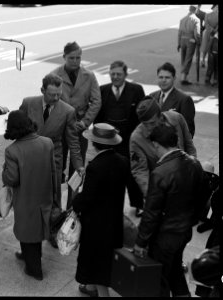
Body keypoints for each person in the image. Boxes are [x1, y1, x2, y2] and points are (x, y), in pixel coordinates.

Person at [134, 124, 205, 297]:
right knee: (175, 272)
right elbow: (202, 199)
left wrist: (141, 242)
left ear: (157, 144)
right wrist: (190, 220)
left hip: (164, 237)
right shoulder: (195, 164)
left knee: (159, 281)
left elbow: (151, 213)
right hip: (184, 232)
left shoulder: (160, 172)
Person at [72, 123, 129, 297]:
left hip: (96, 224)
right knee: (104, 259)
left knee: (95, 261)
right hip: (114, 221)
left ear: (94, 143)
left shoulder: (95, 167)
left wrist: (75, 203)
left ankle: (101, 293)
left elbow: (87, 198)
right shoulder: (123, 162)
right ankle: (89, 287)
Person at [2, 110, 57, 281]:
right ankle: (27, 256)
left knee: (27, 230)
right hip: (44, 195)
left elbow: (11, 178)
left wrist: (4, 170)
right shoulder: (47, 143)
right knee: (37, 229)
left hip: (25, 199)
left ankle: (34, 269)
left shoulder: (12, 151)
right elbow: (54, 172)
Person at [19, 73, 85, 209]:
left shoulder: (68, 111)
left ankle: (51, 225)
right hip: (30, 158)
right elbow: (18, 130)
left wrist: (79, 165)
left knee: (52, 198)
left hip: (53, 160)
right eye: (52, 94)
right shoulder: (28, 103)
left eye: (59, 94)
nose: (56, 98)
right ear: (42, 91)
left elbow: (73, 141)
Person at [50, 41, 101, 204]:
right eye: (71, 58)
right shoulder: (54, 75)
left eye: (78, 58)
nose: (75, 61)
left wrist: (85, 122)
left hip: (80, 128)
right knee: (58, 165)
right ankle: (56, 203)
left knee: (77, 166)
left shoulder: (89, 76)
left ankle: (73, 204)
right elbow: (50, 100)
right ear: (64, 57)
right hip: (61, 128)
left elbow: (96, 101)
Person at [94, 60, 145, 217]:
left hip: (129, 140)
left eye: (119, 74)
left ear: (125, 75)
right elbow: (97, 115)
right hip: (108, 141)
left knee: (131, 173)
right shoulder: (102, 90)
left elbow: (141, 115)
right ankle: (107, 204)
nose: (115, 77)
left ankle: (138, 204)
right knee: (108, 173)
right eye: (113, 74)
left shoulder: (136, 90)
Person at [129, 97, 197, 214]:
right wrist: (152, 197)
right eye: (145, 124)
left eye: (152, 123)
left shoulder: (176, 118)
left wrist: (193, 170)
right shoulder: (136, 139)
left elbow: (189, 145)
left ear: (160, 116)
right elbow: (140, 172)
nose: (149, 127)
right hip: (163, 189)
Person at [149, 62, 196, 138]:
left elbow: (188, 131)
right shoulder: (152, 97)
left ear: (174, 78)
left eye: (167, 77)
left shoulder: (184, 100)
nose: (163, 80)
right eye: (161, 77)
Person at [177, 5, 201, 85]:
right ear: (196, 10)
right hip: (191, 40)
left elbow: (179, 32)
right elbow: (197, 33)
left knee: (183, 59)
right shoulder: (196, 19)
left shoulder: (182, 19)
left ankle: (183, 76)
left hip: (182, 39)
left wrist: (178, 43)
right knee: (188, 59)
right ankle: (184, 77)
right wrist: (198, 42)